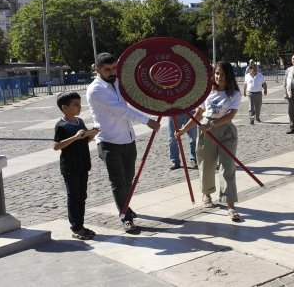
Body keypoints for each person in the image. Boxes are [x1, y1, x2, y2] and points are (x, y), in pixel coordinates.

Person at [87, 52, 161, 234]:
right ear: (97, 70)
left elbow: (139, 94)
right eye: (107, 70)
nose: (113, 72)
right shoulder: (96, 90)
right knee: (118, 182)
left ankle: (125, 205)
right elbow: (121, 111)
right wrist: (147, 120)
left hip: (128, 139)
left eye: (115, 68)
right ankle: (125, 217)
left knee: (128, 179)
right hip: (109, 142)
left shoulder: (120, 82)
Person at [177, 61, 242, 221]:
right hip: (206, 131)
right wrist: (184, 129)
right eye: (217, 73)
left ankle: (230, 205)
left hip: (225, 130)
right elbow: (199, 114)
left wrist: (213, 125)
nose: (219, 77)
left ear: (229, 76)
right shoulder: (207, 92)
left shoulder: (234, 93)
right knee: (206, 165)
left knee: (227, 167)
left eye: (223, 74)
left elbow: (230, 115)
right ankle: (206, 194)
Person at [53, 92, 100, 240]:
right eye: (76, 105)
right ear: (65, 107)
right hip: (70, 166)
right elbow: (56, 146)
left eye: (80, 104)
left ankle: (81, 225)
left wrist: (92, 134)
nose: (80, 107)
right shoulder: (61, 126)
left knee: (82, 196)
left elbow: (83, 140)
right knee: (73, 197)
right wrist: (74, 137)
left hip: (83, 163)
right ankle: (76, 227)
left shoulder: (79, 122)